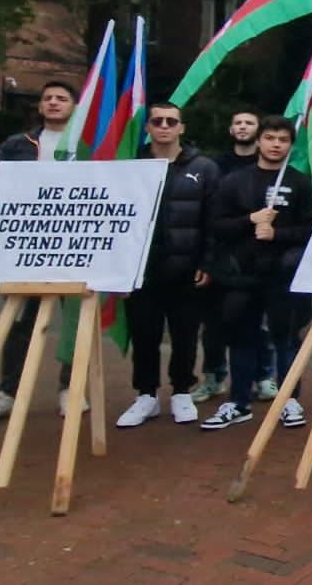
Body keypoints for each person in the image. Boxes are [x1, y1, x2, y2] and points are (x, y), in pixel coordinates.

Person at [0, 81, 83, 426]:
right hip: (27, 247)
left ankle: (71, 388)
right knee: (19, 323)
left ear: (75, 107)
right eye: (47, 97)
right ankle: (7, 393)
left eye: (61, 98)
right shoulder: (18, 144)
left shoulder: (88, 146)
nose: (53, 103)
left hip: (75, 243)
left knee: (76, 322)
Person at [201, 116, 312, 431]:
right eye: (270, 138)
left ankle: (289, 400)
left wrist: (277, 235)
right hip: (242, 275)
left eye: (283, 139)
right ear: (259, 141)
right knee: (242, 339)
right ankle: (239, 402)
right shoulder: (235, 181)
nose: (276, 144)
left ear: (291, 145)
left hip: (283, 275)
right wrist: (250, 220)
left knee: (287, 338)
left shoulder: (300, 182)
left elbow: (311, 229)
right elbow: (217, 226)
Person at [116, 102, 221, 427]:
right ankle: (146, 395)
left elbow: (213, 220)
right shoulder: (132, 167)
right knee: (144, 335)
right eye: (157, 121)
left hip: (186, 269)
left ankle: (181, 392)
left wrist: (207, 261)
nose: (164, 126)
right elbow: (118, 219)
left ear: (181, 128)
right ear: (147, 127)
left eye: (170, 121)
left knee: (185, 335)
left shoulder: (204, 168)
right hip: (141, 271)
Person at [192, 108, 270, 404]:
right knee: (212, 322)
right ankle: (213, 376)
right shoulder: (215, 166)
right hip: (221, 249)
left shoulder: (270, 166)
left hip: (258, 254)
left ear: (258, 131)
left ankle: (263, 376)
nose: (242, 126)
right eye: (237, 122)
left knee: (257, 323)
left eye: (249, 122)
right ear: (230, 130)